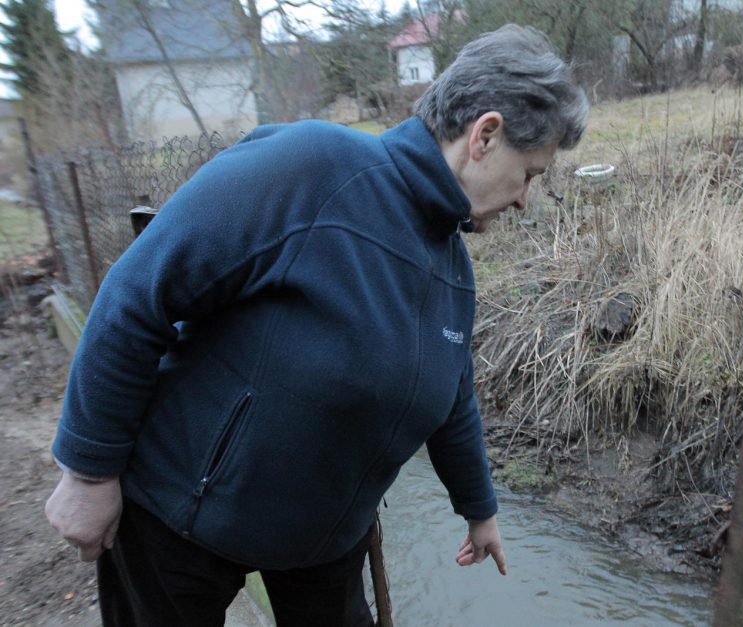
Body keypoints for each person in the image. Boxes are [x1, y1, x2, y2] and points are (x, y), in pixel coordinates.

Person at [45, 23, 588, 626]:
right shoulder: (309, 171)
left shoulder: (451, 263)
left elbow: (451, 390)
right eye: (532, 174)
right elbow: (137, 292)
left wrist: (478, 510)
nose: (524, 199)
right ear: (485, 135)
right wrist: (88, 471)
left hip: (323, 543)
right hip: (181, 520)